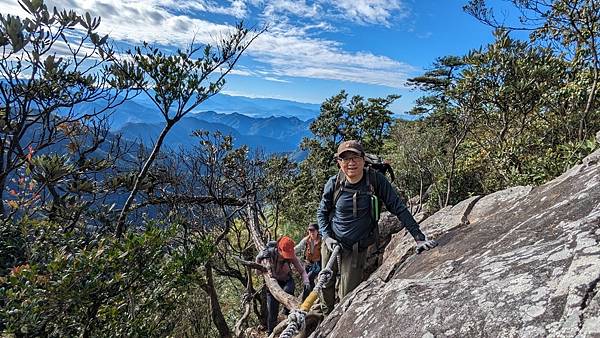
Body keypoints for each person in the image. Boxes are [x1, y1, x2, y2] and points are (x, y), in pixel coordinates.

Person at [317, 140, 438, 314]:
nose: (351, 163)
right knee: (325, 283)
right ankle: (325, 317)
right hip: (331, 241)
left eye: (355, 157)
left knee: (346, 297)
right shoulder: (334, 183)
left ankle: (336, 322)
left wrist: (419, 237)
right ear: (339, 162)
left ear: (363, 159)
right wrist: (327, 236)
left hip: (355, 248)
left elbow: (398, 207)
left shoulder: (375, 180)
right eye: (345, 159)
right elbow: (322, 212)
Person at [256, 236, 310, 334]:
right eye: (284, 254)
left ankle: (289, 315)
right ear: (279, 249)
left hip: (286, 280)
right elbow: (258, 273)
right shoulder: (268, 255)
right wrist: (258, 260)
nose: (286, 257)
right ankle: (270, 333)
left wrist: (306, 281)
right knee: (272, 312)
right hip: (272, 286)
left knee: (288, 291)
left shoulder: (291, 256)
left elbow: (302, 271)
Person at [294, 223, 322, 298]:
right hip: (308, 263)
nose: (311, 232)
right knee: (307, 281)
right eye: (310, 230)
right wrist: (289, 252)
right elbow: (298, 247)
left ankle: (305, 299)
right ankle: (312, 296)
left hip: (317, 264)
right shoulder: (307, 239)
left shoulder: (322, 240)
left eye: (313, 230)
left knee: (309, 278)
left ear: (317, 231)